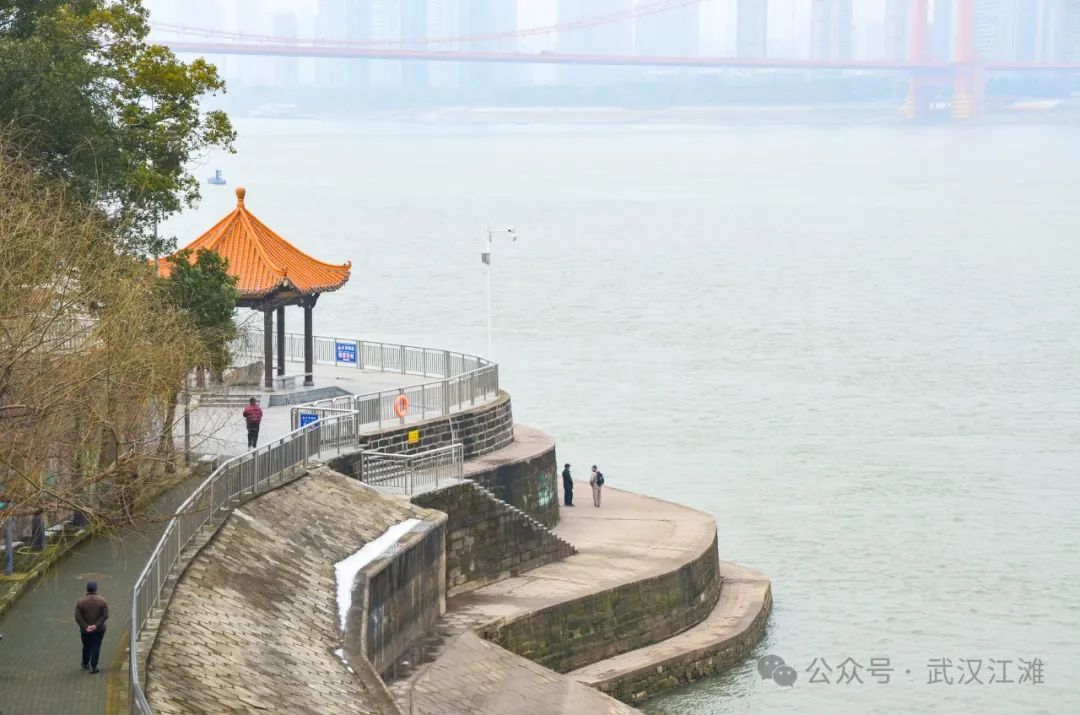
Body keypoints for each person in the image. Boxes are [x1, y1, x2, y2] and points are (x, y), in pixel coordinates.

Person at [75, 580, 108, 673]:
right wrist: (95, 625)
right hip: (99, 630)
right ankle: (93, 667)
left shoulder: (80, 602)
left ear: (87, 589)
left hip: (85, 630)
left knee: (86, 646)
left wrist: (86, 627)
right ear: (96, 589)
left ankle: (85, 663)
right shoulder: (103, 601)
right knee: (96, 647)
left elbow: (78, 617)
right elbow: (105, 615)